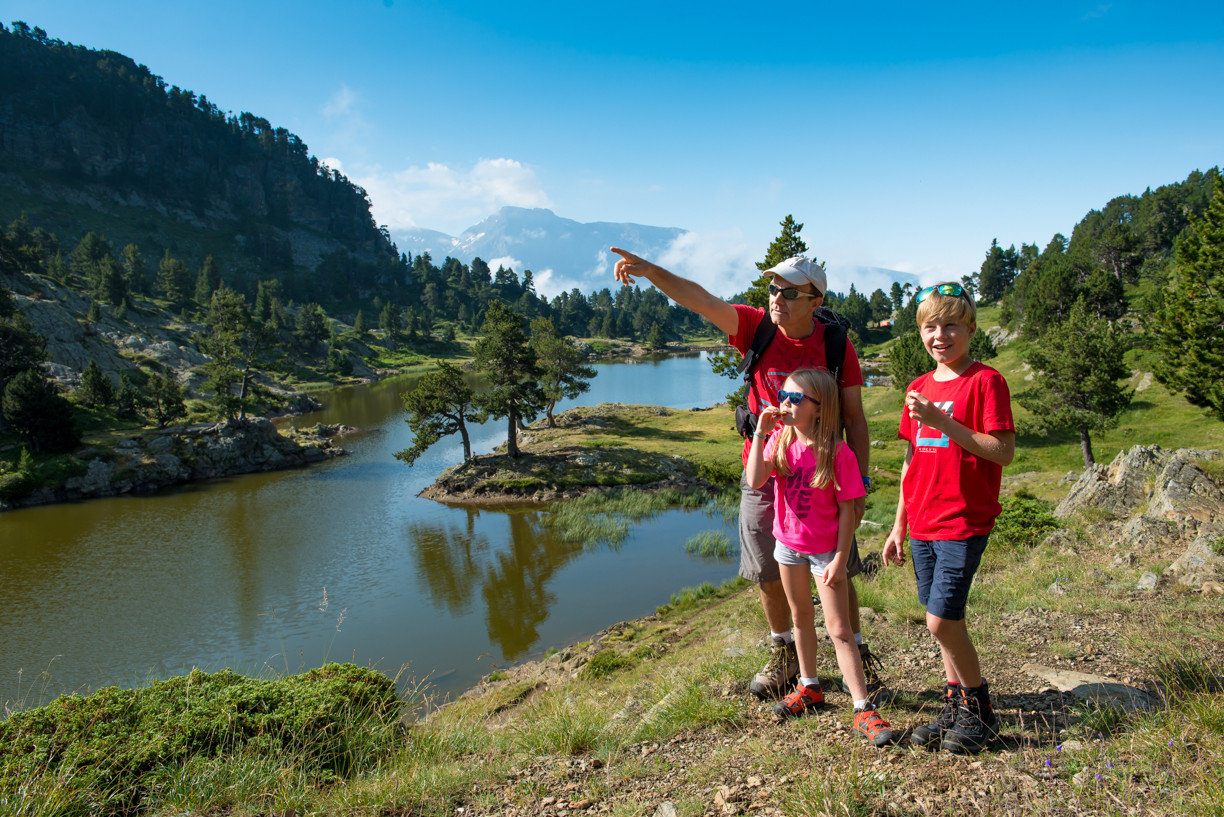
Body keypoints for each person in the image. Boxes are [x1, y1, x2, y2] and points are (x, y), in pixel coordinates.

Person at [609, 247, 882, 700]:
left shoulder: (835, 344)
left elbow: (854, 418)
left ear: (815, 302)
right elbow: (700, 299)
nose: (777, 298)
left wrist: (861, 483)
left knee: (840, 568)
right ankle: (785, 654)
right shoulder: (755, 327)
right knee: (767, 568)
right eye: (774, 288)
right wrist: (651, 271)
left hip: (820, 471)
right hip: (764, 471)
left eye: (791, 293)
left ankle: (856, 653)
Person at [882, 282, 1015, 754]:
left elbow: (1002, 452)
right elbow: (910, 460)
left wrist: (944, 423)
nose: (941, 335)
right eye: (930, 326)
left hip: (964, 521)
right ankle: (955, 703)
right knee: (944, 620)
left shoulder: (985, 382)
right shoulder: (917, 387)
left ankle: (981, 713)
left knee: (941, 621)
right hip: (922, 522)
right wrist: (899, 526)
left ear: (971, 328)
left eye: (951, 324)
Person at [745, 369, 898, 745]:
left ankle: (863, 707)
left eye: (796, 399)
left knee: (840, 629)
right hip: (787, 547)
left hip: (826, 551)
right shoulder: (779, 440)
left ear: (820, 408)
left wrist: (841, 557)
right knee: (800, 618)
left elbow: (848, 511)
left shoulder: (837, 453)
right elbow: (754, 481)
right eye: (784, 395)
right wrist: (762, 432)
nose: (785, 404)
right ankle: (809, 685)